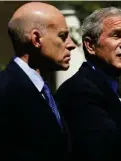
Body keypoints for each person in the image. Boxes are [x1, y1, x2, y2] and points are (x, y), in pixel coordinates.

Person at [0, 2, 76, 161]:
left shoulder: (45, 93)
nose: (71, 45)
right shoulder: (6, 93)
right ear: (36, 39)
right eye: (62, 36)